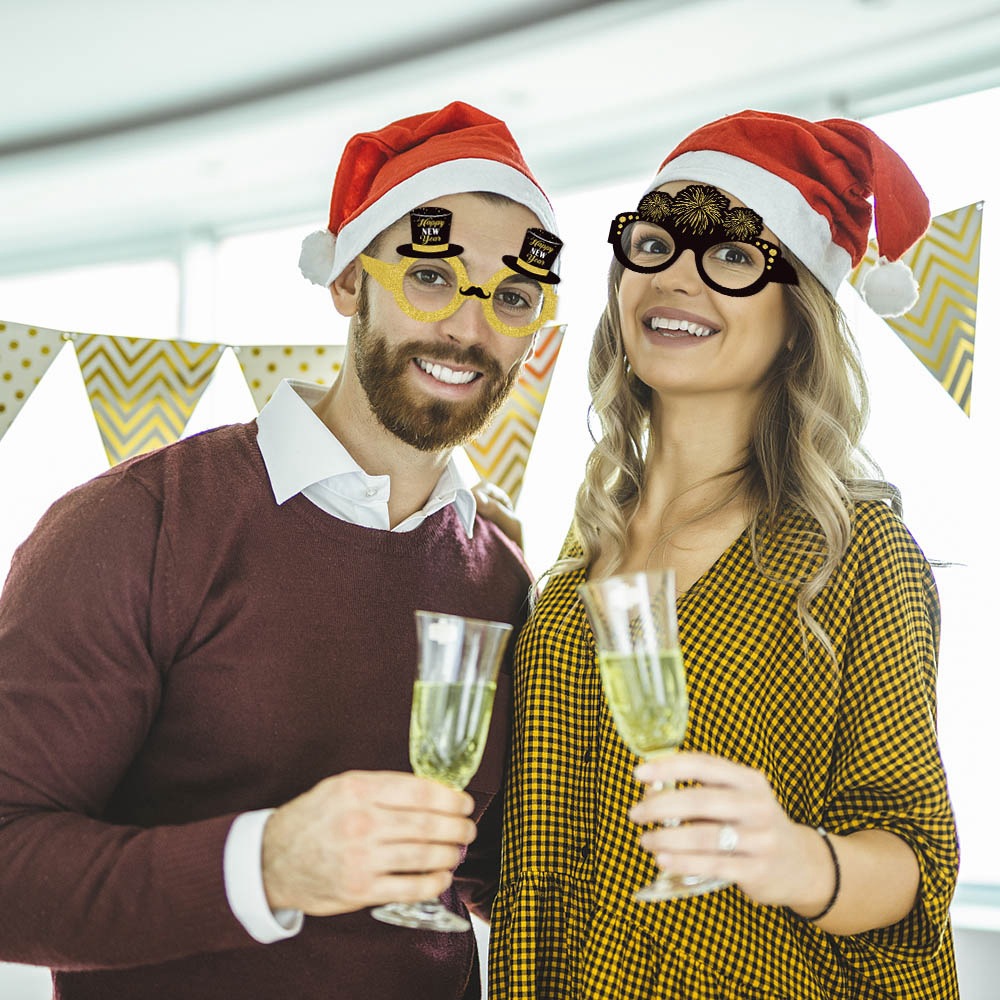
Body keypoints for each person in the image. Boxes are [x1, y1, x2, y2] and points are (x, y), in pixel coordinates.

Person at [0, 100, 562, 999]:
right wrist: (266, 867)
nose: (468, 326)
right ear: (348, 282)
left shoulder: (500, 573)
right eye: (431, 279)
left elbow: (490, 874)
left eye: (513, 297)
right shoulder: (135, 523)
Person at [489, 110, 959, 998]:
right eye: (656, 243)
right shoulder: (572, 559)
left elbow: (915, 863)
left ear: (796, 320)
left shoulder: (855, 553)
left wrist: (795, 859)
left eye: (735, 256)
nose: (677, 279)